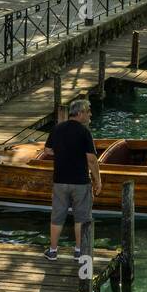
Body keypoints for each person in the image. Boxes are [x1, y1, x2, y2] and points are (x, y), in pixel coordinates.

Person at [42, 98, 101, 261]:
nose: (90, 114)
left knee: (57, 215)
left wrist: (62, 154)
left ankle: (53, 250)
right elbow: (91, 159)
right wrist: (98, 180)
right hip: (80, 181)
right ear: (80, 113)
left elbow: (47, 150)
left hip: (60, 180)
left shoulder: (57, 128)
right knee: (81, 217)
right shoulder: (84, 132)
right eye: (88, 111)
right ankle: (78, 250)